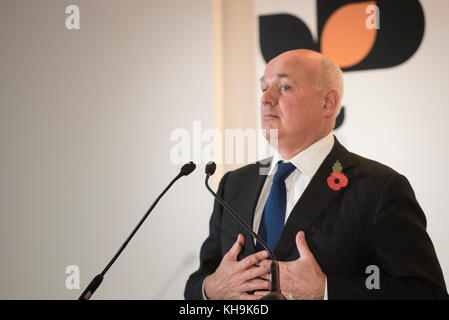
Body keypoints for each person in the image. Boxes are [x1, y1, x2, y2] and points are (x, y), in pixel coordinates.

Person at [184, 49, 448, 300]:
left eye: (284, 87)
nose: (265, 99)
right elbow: (200, 280)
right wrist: (211, 288)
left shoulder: (379, 189)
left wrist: (326, 291)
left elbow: (426, 292)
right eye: (264, 88)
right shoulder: (234, 185)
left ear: (327, 103)